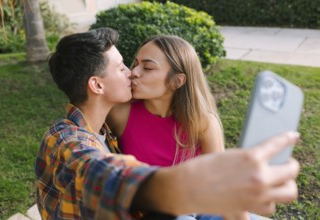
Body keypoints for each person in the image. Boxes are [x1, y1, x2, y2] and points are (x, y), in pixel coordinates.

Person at [35, 27, 300, 220]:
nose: (131, 73)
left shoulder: (105, 129)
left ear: (178, 81)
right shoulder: (66, 139)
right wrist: (174, 188)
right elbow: (101, 175)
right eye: (122, 68)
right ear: (97, 84)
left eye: (140, 66)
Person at [106, 35, 249, 220]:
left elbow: (221, 184)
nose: (134, 72)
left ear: (177, 81)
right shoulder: (121, 114)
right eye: (136, 63)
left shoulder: (202, 122)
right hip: (151, 212)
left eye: (147, 67)